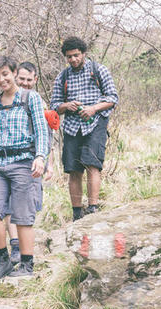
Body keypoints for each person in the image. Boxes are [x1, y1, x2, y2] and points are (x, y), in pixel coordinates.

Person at [0, 56, 49, 284]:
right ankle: (3, 261)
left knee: (22, 217)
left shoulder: (31, 98)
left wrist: (40, 157)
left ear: (14, 73)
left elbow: (41, 130)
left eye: (5, 74)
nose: (2, 79)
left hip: (23, 163)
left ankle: (27, 264)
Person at [50, 36, 118, 221]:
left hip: (95, 123)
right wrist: (67, 106)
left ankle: (93, 208)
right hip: (72, 127)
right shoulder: (62, 77)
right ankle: (77, 213)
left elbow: (113, 98)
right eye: (69, 56)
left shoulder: (98, 70)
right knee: (73, 169)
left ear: (84, 53)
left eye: (76, 55)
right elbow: (54, 104)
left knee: (92, 164)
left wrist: (93, 108)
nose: (73, 59)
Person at [2, 61, 56, 264]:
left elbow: (47, 136)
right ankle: (15, 245)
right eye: (21, 79)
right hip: (8, 159)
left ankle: (25, 254)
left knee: (25, 207)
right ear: (16, 77)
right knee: (7, 205)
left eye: (28, 80)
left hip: (33, 160)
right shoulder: (4, 99)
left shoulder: (38, 103)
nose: (24, 83)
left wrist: (49, 163)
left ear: (35, 80)